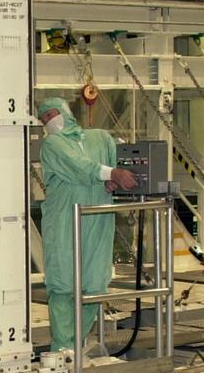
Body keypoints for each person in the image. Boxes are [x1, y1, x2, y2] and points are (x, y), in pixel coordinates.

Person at [36, 97, 138, 351]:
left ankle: (78, 348)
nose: (49, 121)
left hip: (98, 222)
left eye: (51, 114)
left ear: (65, 111)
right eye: (44, 118)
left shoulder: (101, 138)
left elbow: (114, 164)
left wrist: (112, 180)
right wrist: (111, 174)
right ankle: (63, 351)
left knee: (94, 286)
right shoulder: (52, 145)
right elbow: (79, 167)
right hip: (63, 224)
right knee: (63, 285)